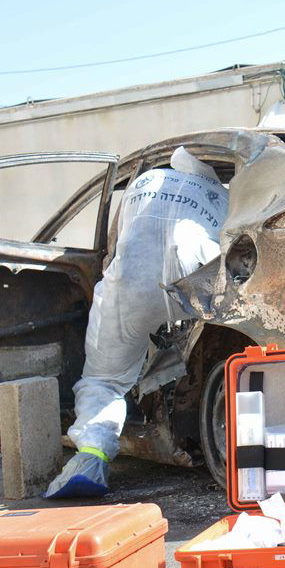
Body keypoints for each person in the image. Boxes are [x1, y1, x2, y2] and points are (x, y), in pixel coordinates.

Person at [44, 147, 229, 498]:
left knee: (105, 379)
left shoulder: (144, 181)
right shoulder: (220, 195)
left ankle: (92, 458)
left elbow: (114, 247)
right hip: (195, 280)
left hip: (131, 283)